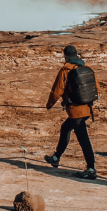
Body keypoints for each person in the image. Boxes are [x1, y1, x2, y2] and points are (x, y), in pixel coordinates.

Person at [42, 45, 98, 179]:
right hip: (86, 108)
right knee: (65, 128)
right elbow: (97, 88)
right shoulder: (86, 69)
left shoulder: (65, 70)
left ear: (65, 56)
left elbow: (57, 91)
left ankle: (91, 169)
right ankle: (56, 157)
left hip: (75, 111)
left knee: (83, 139)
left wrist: (49, 105)